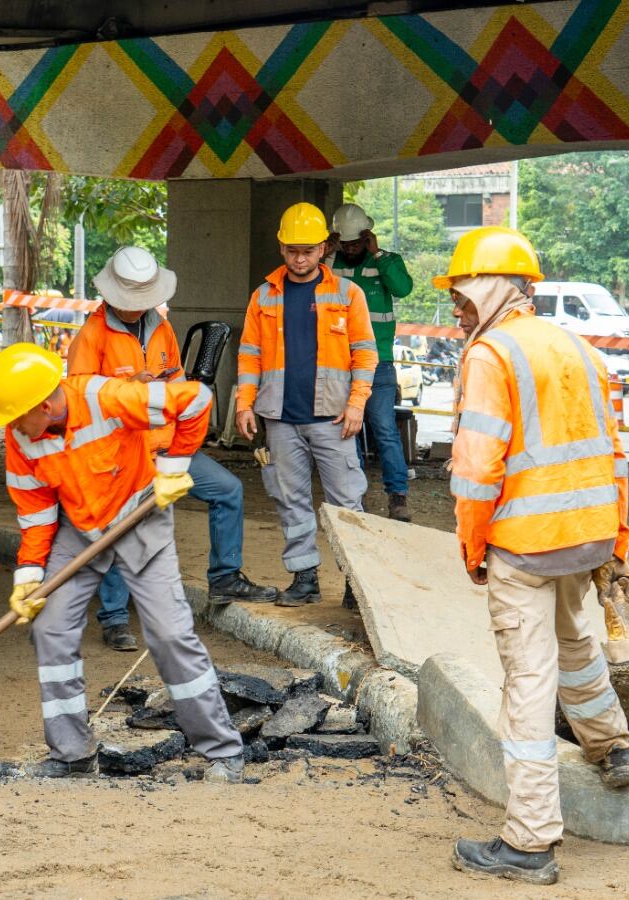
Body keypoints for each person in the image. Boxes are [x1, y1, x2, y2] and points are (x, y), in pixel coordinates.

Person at [442, 227, 629, 886]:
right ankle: (611, 748)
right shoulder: (579, 348)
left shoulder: (490, 356)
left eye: (464, 293)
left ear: (494, 288)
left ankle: (529, 843)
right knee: (576, 642)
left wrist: (474, 548)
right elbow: (614, 453)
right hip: (583, 535)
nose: (457, 309)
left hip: (525, 543)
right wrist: (615, 542)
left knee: (528, 683)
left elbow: (475, 472)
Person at [0, 342, 247, 783]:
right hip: (79, 526)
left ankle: (223, 752)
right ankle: (72, 754)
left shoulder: (107, 397)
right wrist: (29, 575)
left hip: (139, 510)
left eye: (16, 413)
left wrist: (173, 466)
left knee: (168, 633)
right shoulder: (21, 438)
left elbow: (196, 400)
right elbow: (35, 513)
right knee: (49, 629)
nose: (11, 424)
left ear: (47, 404)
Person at [69, 246, 277, 650]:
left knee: (228, 490)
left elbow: (178, 383)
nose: (136, 308)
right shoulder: (91, 336)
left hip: (168, 447)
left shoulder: (160, 327)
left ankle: (224, 578)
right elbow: (79, 401)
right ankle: (114, 618)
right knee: (123, 527)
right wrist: (132, 390)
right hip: (122, 454)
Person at [235, 202, 377, 607]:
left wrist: (356, 405)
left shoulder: (348, 294)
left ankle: (357, 582)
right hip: (280, 417)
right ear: (281, 247)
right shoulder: (264, 295)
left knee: (347, 502)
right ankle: (304, 578)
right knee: (288, 497)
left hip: (333, 417)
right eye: (293, 250)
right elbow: (249, 355)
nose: (300, 259)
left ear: (323, 250)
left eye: (309, 251)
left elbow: (365, 353)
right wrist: (245, 404)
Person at [326, 203, 413, 522]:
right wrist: (327, 254)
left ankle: (398, 495)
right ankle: (353, 494)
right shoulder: (330, 264)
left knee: (384, 429)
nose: (350, 249)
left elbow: (403, 288)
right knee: (347, 431)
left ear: (367, 237)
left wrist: (377, 255)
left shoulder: (386, 262)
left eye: (355, 242)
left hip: (379, 363)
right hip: (339, 364)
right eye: (345, 243)